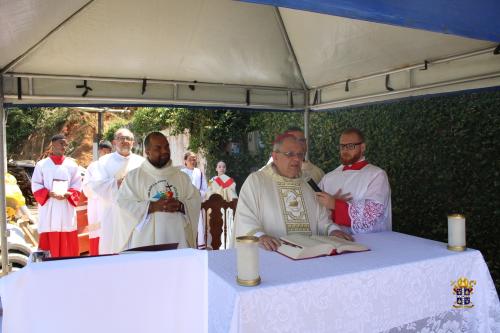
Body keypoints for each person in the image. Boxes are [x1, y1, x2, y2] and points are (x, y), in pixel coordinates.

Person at [234, 133, 352, 251]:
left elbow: (322, 218)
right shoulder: (256, 181)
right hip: (272, 253)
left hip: (309, 254)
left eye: (300, 154)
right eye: (289, 154)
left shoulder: (308, 182)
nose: (296, 159)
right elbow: (245, 217)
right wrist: (260, 236)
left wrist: (333, 230)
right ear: (275, 157)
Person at [114, 132, 201, 251]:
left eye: (166, 147)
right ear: (147, 151)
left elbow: (195, 200)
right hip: (144, 242)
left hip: (177, 239)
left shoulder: (181, 177)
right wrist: (151, 206)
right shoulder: (134, 177)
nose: (164, 151)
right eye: (158, 148)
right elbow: (122, 204)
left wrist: (181, 205)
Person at [317, 128, 392, 234]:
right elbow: (315, 208)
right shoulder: (329, 177)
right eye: (342, 146)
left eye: (350, 146)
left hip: (370, 243)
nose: (345, 150)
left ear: (362, 147)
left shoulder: (377, 175)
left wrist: (334, 204)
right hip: (333, 240)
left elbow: (371, 214)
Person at [84, 128, 144, 254]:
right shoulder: (103, 162)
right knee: (113, 253)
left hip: (136, 216)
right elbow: (96, 186)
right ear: (114, 142)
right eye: (121, 139)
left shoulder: (142, 162)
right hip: (112, 216)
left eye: (129, 139)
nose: (125, 141)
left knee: (136, 253)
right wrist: (118, 183)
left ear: (133, 143)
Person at [31, 134, 82, 257]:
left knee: (67, 234)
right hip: (49, 206)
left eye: (65, 144)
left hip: (66, 206)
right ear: (53, 145)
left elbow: (78, 184)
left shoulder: (72, 165)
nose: (64, 146)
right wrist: (48, 193)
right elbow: (36, 184)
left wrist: (69, 193)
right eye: (61, 143)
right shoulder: (42, 165)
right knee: (49, 236)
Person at [82, 140, 112, 255]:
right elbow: (86, 188)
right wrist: (101, 191)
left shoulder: (114, 166)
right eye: (103, 151)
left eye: (108, 151)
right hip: (96, 206)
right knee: (97, 232)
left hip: (110, 206)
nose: (105, 153)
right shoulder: (93, 167)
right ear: (100, 151)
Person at [206, 161, 238, 248]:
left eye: (223, 167)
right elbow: (208, 192)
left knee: (226, 226)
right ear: (216, 169)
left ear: (226, 169)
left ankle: (227, 244)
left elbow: (233, 195)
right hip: (215, 207)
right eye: (219, 167)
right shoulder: (212, 180)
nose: (221, 168)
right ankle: (215, 244)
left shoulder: (230, 180)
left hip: (226, 208)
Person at [180, 151, 208, 248]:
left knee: (199, 226)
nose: (192, 161)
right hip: (185, 204)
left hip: (197, 203)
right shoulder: (181, 173)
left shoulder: (199, 172)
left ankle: (200, 246)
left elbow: (205, 188)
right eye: (190, 159)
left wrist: (198, 194)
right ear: (185, 161)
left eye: (194, 159)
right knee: (186, 226)